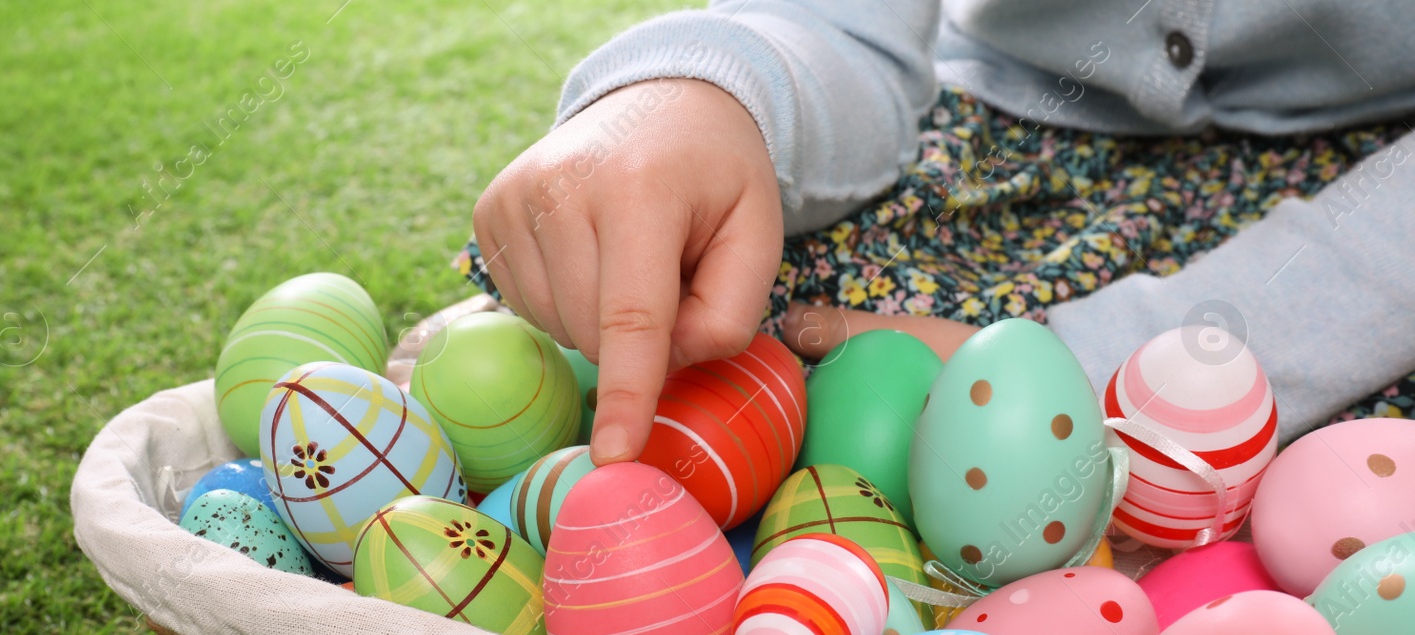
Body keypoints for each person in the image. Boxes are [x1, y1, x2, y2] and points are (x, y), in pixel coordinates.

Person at [471, 1, 1415, 465]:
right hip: (1022, 125)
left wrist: (1128, 369)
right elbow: (837, 23)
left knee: (1345, 486)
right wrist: (710, 92)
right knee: (708, 278)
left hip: (1377, 209)